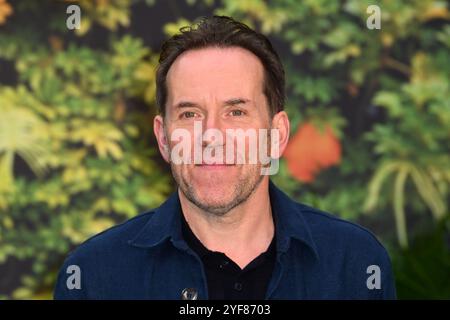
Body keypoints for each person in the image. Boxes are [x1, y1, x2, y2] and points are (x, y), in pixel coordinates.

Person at [54, 15, 396, 300]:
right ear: (163, 138)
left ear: (276, 135)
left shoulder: (354, 265)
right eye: (189, 114)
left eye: (236, 112)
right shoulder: (94, 277)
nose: (211, 136)